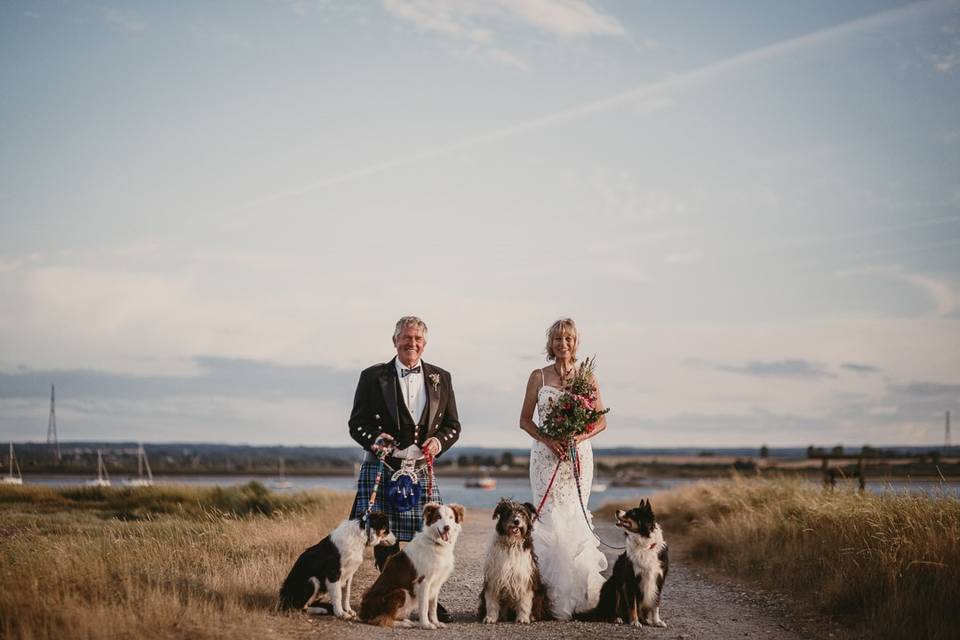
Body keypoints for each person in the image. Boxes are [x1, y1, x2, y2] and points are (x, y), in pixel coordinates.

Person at [347, 315, 461, 622]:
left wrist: (438, 442)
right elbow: (356, 423)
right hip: (384, 465)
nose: (412, 344)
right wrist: (374, 440)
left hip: (420, 468)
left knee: (429, 536)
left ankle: (426, 599)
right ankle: (389, 597)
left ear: (425, 343)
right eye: (406, 338)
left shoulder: (441, 377)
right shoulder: (373, 376)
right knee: (386, 537)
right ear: (395, 340)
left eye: (418, 339)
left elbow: (453, 424)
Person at [519, 318, 608, 620]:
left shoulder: (587, 378)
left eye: (568, 339)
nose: (563, 344)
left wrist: (577, 437)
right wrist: (548, 440)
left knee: (574, 516)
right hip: (545, 458)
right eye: (557, 339)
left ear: (575, 343)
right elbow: (525, 421)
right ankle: (544, 597)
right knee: (549, 518)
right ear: (550, 343)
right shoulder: (538, 377)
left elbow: (600, 420)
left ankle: (581, 598)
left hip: (577, 456)